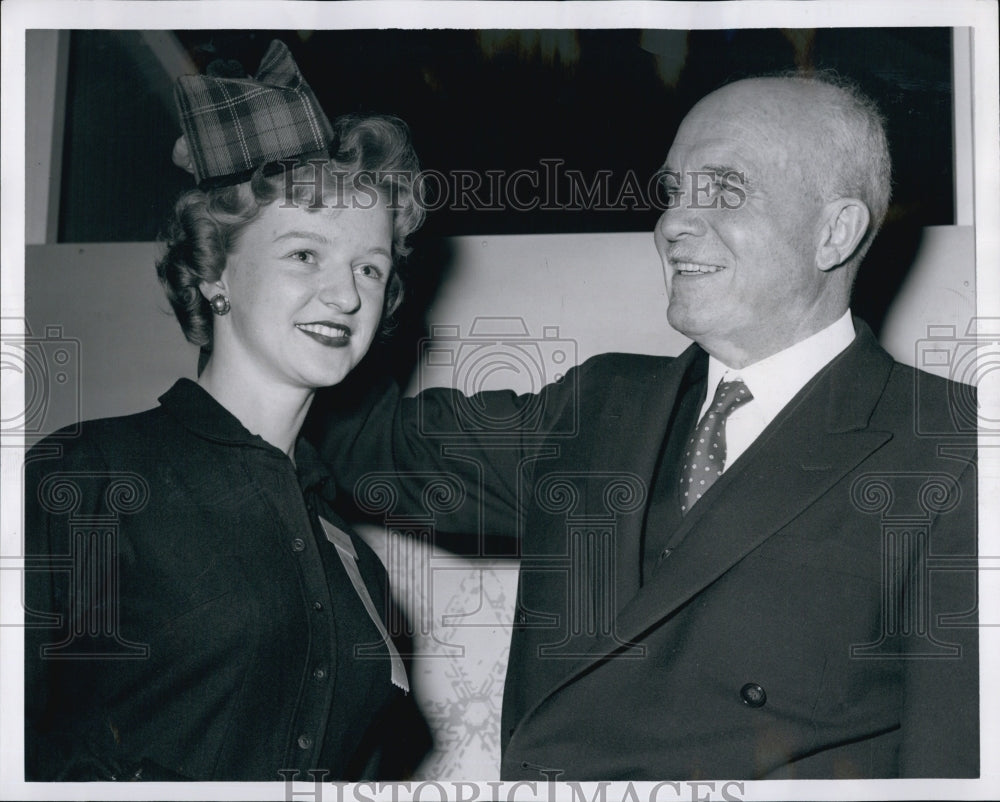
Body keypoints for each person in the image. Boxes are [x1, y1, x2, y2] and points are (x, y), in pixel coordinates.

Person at [315, 74, 978, 779]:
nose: (671, 225)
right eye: (672, 191)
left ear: (834, 232)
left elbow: (952, 768)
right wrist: (324, 249)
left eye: (724, 189)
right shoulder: (594, 404)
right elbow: (364, 444)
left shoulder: (951, 449)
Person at [24, 40, 426, 781]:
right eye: (304, 254)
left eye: (370, 267)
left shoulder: (355, 564)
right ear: (215, 274)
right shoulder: (87, 475)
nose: (346, 296)